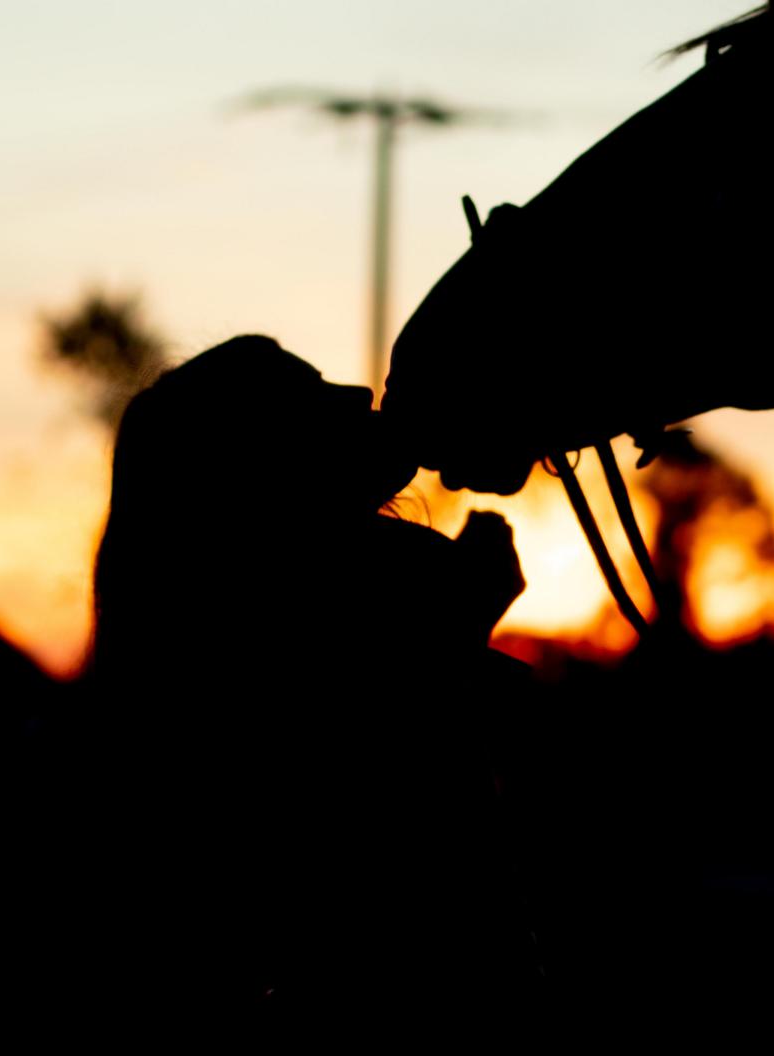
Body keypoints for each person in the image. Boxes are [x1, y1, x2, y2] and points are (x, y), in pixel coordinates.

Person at [86, 335, 539, 1021]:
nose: (359, 395)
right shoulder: (325, 646)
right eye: (315, 393)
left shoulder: (249, 642)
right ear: (265, 465)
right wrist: (453, 630)